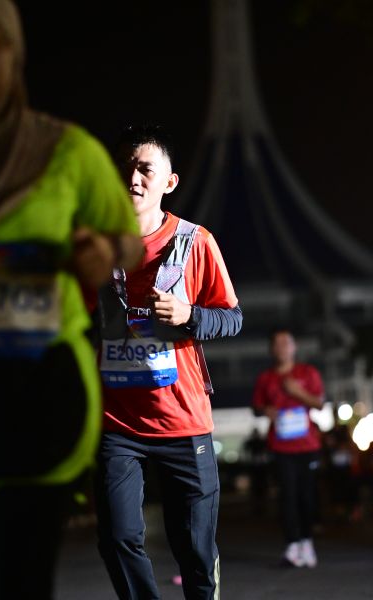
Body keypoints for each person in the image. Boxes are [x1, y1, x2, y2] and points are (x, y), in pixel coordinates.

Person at [0, 1, 143, 598]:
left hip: (41, 397)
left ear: (15, 50)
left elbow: (127, 239)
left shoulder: (66, 151)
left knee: (23, 571)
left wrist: (101, 251)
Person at [93, 123, 243, 599]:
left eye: (144, 169)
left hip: (184, 422)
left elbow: (232, 319)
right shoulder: (94, 249)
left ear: (169, 181)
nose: (132, 179)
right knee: (117, 538)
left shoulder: (196, 242)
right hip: (118, 423)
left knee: (195, 552)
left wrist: (189, 315)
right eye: (124, 168)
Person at [252, 329, 324, 568]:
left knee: (307, 495)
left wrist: (297, 392)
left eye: (286, 343)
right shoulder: (266, 378)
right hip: (280, 446)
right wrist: (265, 410)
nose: (282, 347)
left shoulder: (308, 373)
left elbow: (320, 403)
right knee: (287, 496)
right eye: (277, 343)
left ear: (294, 347)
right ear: (272, 349)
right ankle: (292, 544)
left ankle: (307, 542)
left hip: (307, 445)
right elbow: (257, 407)